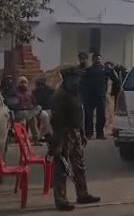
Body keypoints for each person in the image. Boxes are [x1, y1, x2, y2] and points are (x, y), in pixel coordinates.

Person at [51, 68, 100, 211]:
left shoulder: (75, 92)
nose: (77, 81)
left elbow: (79, 112)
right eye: (74, 78)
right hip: (64, 134)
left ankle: (82, 194)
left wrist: (82, 132)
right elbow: (56, 121)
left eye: (78, 78)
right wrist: (57, 143)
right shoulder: (60, 96)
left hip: (75, 133)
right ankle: (61, 200)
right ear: (66, 78)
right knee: (62, 168)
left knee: (79, 166)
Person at [80, 53, 120, 140]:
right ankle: (89, 133)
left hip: (100, 96)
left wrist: (114, 90)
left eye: (98, 58)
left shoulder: (105, 69)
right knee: (89, 116)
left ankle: (99, 133)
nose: (97, 60)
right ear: (92, 60)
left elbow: (116, 79)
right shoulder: (88, 70)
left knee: (101, 116)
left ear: (101, 59)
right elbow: (81, 82)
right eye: (95, 58)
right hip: (89, 97)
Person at [14, 76, 42, 142]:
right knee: (22, 123)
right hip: (20, 112)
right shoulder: (15, 93)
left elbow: (34, 102)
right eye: (21, 82)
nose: (23, 84)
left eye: (25, 82)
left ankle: (36, 139)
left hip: (29, 111)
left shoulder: (29, 92)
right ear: (19, 83)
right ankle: (21, 139)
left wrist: (34, 107)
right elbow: (14, 103)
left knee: (33, 122)